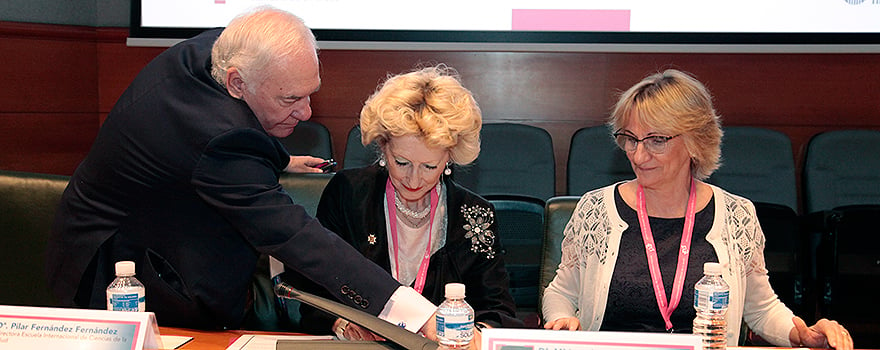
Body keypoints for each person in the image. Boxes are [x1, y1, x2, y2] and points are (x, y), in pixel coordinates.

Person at [46, 6, 438, 335]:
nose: (306, 113)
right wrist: (416, 314)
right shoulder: (218, 139)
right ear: (237, 82)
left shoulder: (223, 46)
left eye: (309, 93)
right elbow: (293, 235)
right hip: (122, 276)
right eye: (290, 99)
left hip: (160, 232)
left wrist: (279, 158)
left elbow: (227, 140)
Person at [541, 69, 853, 349]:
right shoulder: (596, 209)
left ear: (694, 141)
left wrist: (801, 334)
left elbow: (760, 307)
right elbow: (560, 292)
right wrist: (561, 320)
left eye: (656, 140)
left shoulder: (736, 215)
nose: (638, 155)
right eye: (630, 139)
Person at [281, 65, 522, 343]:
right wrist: (342, 324)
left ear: (449, 159)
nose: (414, 179)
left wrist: (476, 336)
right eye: (402, 162)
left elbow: (498, 310)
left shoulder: (475, 216)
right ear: (383, 147)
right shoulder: (347, 194)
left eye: (429, 166)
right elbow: (308, 289)